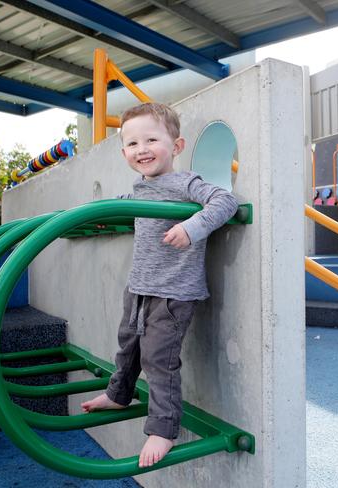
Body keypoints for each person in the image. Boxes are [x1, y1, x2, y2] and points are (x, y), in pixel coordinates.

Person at [80, 102, 238, 468]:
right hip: (139, 286)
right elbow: (129, 204)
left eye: (152, 139)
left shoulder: (185, 183)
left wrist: (190, 227)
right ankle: (118, 394)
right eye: (133, 144)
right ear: (124, 153)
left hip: (173, 292)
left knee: (158, 360)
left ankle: (164, 428)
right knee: (128, 347)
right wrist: (104, 214)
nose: (142, 149)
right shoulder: (141, 186)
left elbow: (225, 200)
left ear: (177, 146)